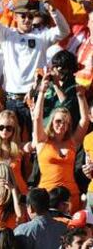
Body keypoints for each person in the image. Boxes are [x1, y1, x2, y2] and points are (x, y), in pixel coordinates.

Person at [0, 0, 70, 140]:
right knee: (11, 143)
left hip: (34, 99)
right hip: (11, 100)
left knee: (35, 141)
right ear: (15, 17)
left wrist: (54, 10)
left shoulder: (42, 37)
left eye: (30, 16)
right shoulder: (7, 34)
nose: (27, 19)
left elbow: (64, 31)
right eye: (23, 16)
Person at [33, 75, 89, 212]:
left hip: (71, 197)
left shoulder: (72, 142)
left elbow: (85, 121)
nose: (62, 125)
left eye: (66, 122)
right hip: (47, 197)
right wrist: (41, 92)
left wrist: (81, 96)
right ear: (52, 122)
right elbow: (37, 118)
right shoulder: (42, 141)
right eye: (58, 121)